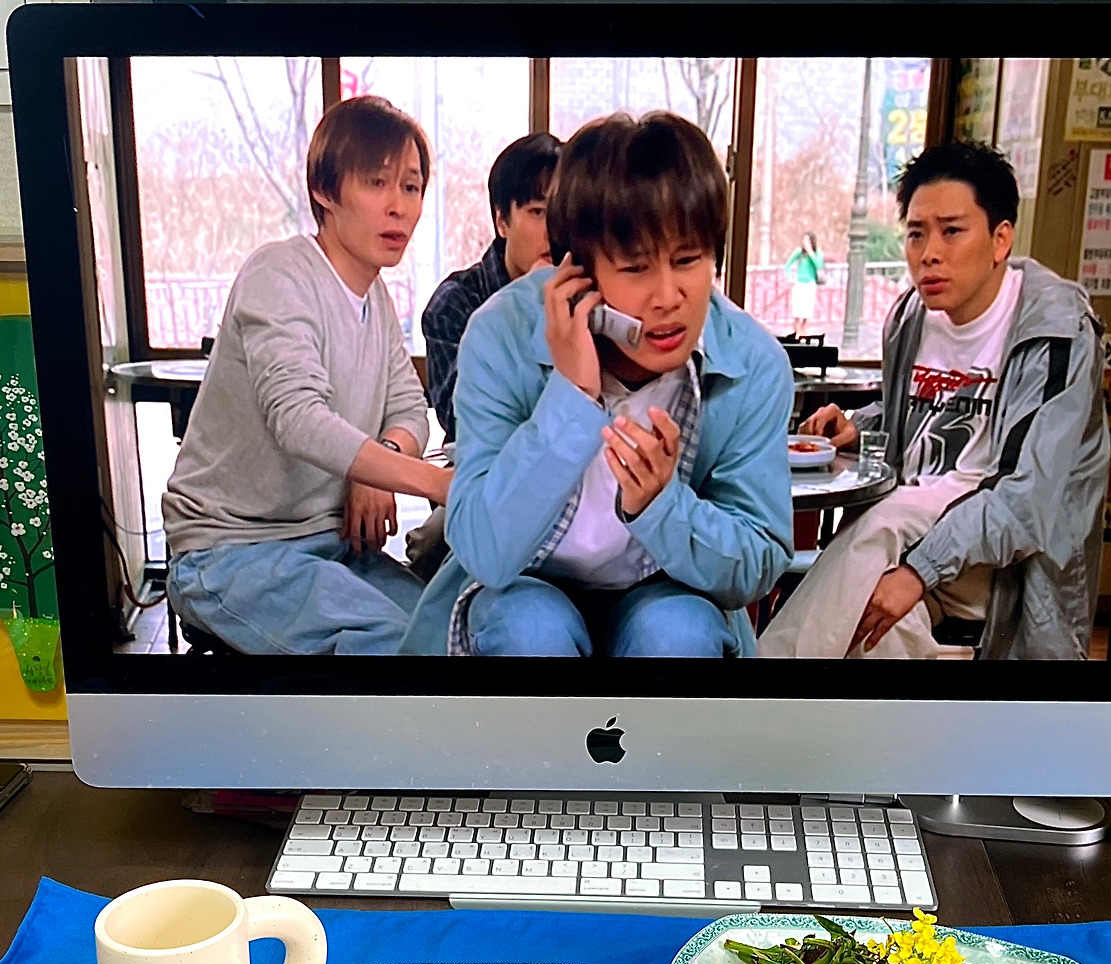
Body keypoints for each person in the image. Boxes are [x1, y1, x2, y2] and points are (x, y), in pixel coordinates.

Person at [398, 111, 794, 659]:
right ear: (578, 271)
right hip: (524, 583)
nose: (668, 297)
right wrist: (572, 399)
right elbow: (483, 551)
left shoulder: (752, 362)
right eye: (635, 268)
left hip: (669, 590)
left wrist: (662, 506)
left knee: (676, 632)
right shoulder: (500, 334)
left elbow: (757, 563)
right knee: (529, 628)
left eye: (688, 260)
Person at [759, 141, 1109, 662]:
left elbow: (1027, 499)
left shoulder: (1055, 332)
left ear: (1000, 239)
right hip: (912, 539)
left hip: (1001, 559)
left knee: (880, 527)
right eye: (916, 233)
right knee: (876, 628)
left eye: (952, 231)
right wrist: (859, 426)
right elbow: (921, 418)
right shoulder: (913, 317)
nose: (929, 253)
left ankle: (762, 681)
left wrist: (917, 571)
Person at [163, 97, 451, 655]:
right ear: (324, 190)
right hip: (230, 550)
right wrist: (436, 483)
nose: (399, 207)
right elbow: (297, 419)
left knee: (451, 636)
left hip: (333, 543)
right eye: (376, 183)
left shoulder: (377, 297)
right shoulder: (280, 273)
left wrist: (376, 468)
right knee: (396, 648)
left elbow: (409, 409)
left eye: (411, 187)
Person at [422, 131, 562, 443]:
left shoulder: (590, 294)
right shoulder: (456, 302)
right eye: (538, 212)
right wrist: (529, 303)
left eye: (562, 212)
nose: (553, 230)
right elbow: (462, 420)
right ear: (501, 220)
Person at [784, 232, 824, 337]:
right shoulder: (799, 252)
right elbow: (788, 263)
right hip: (799, 282)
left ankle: (804, 332)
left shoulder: (817, 253)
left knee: (807, 310)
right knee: (797, 310)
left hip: (810, 283)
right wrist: (789, 277)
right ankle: (797, 332)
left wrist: (810, 252)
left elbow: (819, 265)